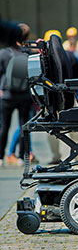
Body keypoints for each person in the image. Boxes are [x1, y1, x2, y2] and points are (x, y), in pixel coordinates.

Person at [43, 29, 78, 164]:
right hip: (70, 99)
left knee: (52, 128)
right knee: (73, 129)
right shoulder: (70, 56)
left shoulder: (44, 59)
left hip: (52, 103)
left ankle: (55, 156)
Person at [0, 22, 33, 167]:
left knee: (4, 126)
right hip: (25, 96)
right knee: (24, 126)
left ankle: (0, 157)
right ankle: (22, 156)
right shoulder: (28, 53)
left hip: (7, 95)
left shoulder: (4, 53)